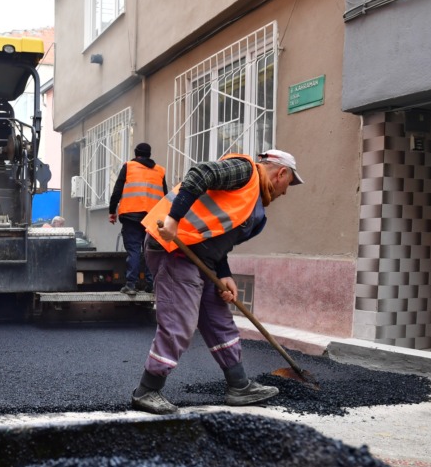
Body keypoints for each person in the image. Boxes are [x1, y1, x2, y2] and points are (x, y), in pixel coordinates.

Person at [130, 149, 304, 415]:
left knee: (219, 319)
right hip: (174, 248)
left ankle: (239, 386)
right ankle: (147, 390)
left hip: (202, 257)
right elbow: (200, 174)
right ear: (281, 173)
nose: (286, 192)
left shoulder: (254, 205)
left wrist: (225, 274)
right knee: (180, 321)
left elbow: (217, 237)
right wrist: (173, 220)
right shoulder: (244, 172)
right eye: (289, 183)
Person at [109, 143, 167, 294]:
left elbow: (117, 190)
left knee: (134, 250)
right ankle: (151, 285)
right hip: (153, 218)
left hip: (131, 215)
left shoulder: (129, 166)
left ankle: (130, 285)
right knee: (149, 250)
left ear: (136, 154)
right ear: (149, 154)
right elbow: (166, 197)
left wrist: (112, 211)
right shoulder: (160, 171)